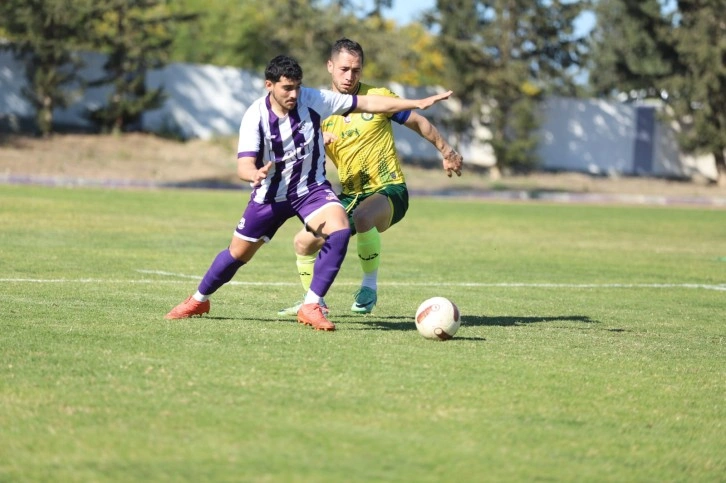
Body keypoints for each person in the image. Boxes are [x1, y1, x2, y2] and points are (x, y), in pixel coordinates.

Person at [165, 54, 455, 331]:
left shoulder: (314, 99)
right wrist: (253, 174)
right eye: (287, 88)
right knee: (237, 254)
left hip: (311, 190)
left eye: (297, 87)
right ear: (270, 86)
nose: (294, 94)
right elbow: (243, 164)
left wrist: (416, 102)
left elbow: (367, 101)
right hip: (270, 196)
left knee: (340, 227)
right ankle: (198, 300)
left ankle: (312, 305)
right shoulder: (255, 116)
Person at [277, 38, 463, 317]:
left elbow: (418, 122)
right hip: (350, 196)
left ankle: (369, 287)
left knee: (364, 216)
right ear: (330, 66)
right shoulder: (318, 110)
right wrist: (315, 140)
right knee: (303, 242)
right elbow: (296, 154)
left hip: (390, 190)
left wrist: (446, 151)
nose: (350, 76)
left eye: (356, 70)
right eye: (343, 69)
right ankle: (313, 302)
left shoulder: (377, 97)